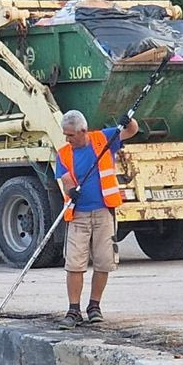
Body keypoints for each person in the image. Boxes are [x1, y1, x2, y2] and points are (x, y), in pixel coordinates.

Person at [55, 109, 138, 329]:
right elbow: (65, 180)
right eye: (65, 135)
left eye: (71, 135)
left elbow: (132, 130)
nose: (67, 139)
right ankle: (73, 310)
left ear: (83, 131)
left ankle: (94, 307)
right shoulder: (63, 153)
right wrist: (72, 191)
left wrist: (128, 121)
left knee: (103, 261)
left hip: (103, 212)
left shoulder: (104, 139)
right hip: (78, 215)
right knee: (74, 263)